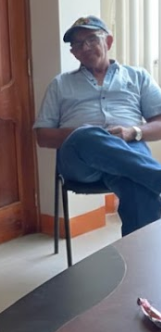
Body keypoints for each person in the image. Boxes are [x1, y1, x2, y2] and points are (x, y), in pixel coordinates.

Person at [35, 16, 161, 236]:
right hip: (79, 160)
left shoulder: (138, 76)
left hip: (129, 149)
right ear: (73, 53)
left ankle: (141, 256)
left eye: (92, 39)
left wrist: (133, 131)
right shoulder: (60, 84)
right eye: (77, 44)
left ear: (108, 41)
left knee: (138, 189)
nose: (85, 47)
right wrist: (92, 134)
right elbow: (43, 136)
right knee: (86, 135)